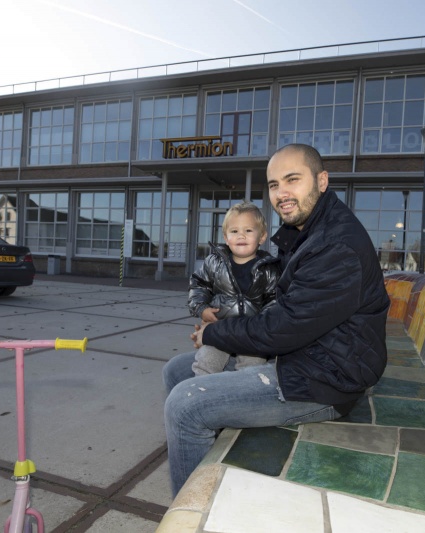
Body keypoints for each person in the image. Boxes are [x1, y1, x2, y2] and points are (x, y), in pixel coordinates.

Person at [163, 143, 391, 497]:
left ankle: (194, 514)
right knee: (176, 371)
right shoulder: (306, 231)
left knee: (185, 405)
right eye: (273, 184)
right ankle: (210, 465)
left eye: (292, 179)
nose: (281, 193)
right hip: (303, 358)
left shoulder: (335, 246)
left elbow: (280, 330)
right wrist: (217, 326)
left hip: (322, 382)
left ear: (322, 180)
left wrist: (215, 333)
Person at [188, 201, 280, 375]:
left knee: (254, 367)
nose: (241, 236)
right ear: (225, 237)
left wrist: (263, 323)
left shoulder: (268, 269)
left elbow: (274, 300)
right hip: (220, 328)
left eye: (248, 230)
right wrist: (202, 308)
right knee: (206, 361)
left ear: (262, 237)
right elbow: (198, 284)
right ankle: (201, 392)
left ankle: (245, 396)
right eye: (235, 231)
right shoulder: (214, 262)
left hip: (251, 335)